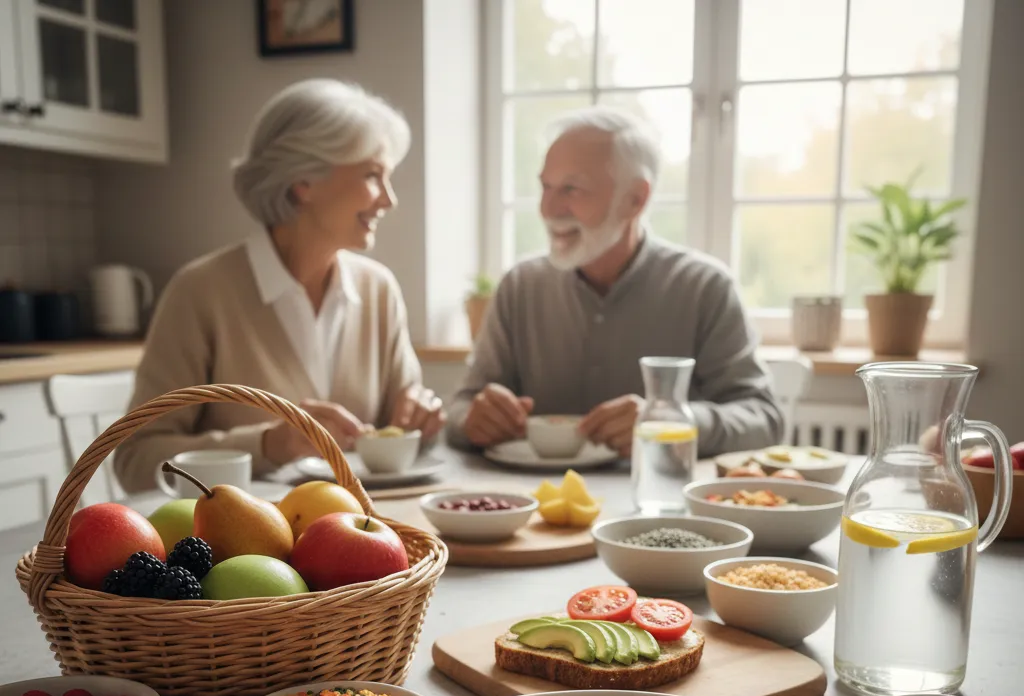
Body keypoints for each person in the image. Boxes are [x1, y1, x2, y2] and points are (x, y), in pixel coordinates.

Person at [114, 79, 444, 494]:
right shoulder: (200, 293)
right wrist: (268, 444)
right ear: (303, 181)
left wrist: (422, 417)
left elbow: (407, 432)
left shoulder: (379, 290)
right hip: (243, 550)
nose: (389, 200)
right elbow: (134, 461)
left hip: (363, 541)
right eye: (373, 175)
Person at [447, 107, 782, 458]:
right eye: (545, 186)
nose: (548, 208)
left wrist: (667, 422)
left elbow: (765, 419)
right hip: (532, 507)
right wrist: (473, 419)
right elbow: (460, 408)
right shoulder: (519, 287)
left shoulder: (705, 287)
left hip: (655, 504)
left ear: (635, 200)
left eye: (571, 189)